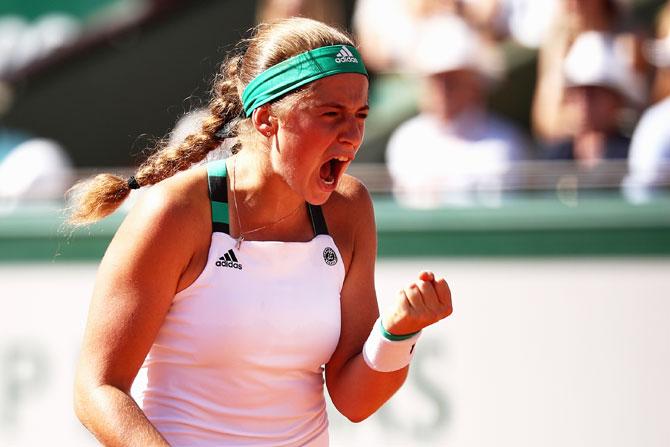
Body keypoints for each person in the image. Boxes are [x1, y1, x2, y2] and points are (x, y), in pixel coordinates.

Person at [71, 17, 453, 447]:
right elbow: (97, 389)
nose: (352, 135)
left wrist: (397, 333)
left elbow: (354, 400)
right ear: (269, 119)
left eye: (361, 115)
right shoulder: (175, 212)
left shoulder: (349, 209)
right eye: (331, 115)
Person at [385, 15, 528, 208]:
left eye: (452, 79)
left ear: (474, 83)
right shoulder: (405, 141)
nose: (443, 89)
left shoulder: (507, 142)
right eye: (436, 79)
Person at [541, 31, 644, 169]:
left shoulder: (635, 154)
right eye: (577, 92)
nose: (584, 102)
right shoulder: (556, 156)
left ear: (617, 99)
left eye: (593, 92)